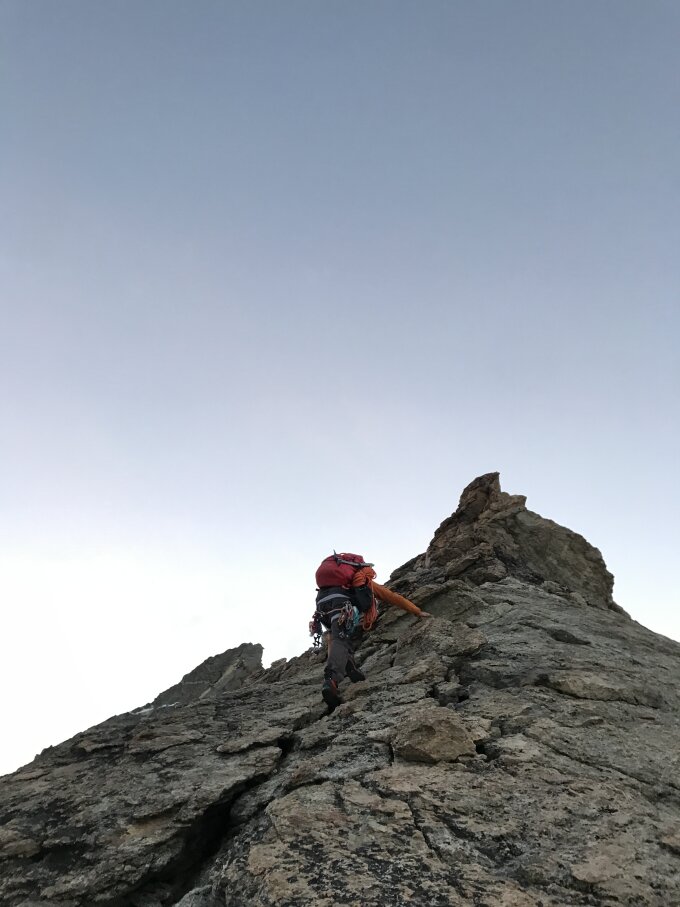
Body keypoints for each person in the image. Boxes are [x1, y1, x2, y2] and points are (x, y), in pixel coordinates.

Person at [313, 552, 431, 710]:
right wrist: (417, 611)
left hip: (321, 605)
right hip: (341, 605)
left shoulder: (333, 582)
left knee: (338, 637)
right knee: (340, 638)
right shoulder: (362, 580)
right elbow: (391, 596)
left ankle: (351, 667)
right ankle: (331, 680)